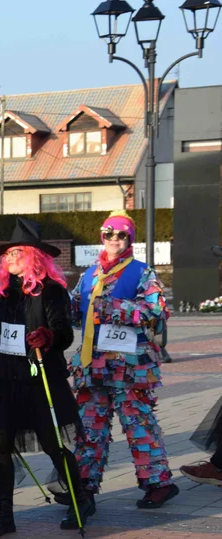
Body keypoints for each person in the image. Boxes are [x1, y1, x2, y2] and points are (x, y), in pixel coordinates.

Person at [0, 218, 81, 537]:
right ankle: (4, 514)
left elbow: (65, 333)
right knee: (0, 446)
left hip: (41, 380)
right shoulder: (3, 297)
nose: (9, 257)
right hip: (7, 382)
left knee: (53, 445)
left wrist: (48, 336)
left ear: (34, 255)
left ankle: (79, 500)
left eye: (17, 251)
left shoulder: (53, 292)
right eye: (7, 253)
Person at [68, 211, 176, 514]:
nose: (115, 239)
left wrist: (114, 307)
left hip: (130, 366)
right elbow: (76, 313)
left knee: (138, 425)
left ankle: (159, 484)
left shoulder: (141, 271)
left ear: (130, 239)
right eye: (109, 233)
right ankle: (84, 486)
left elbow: (157, 310)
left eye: (122, 234)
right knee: (89, 427)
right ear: (102, 236)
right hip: (93, 364)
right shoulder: (89, 275)